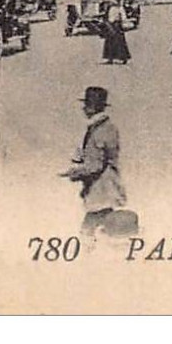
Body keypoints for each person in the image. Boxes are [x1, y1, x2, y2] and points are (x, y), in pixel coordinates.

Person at [63, 86, 129, 238]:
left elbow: (95, 165)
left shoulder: (98, 131)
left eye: (86, 105)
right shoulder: (108, 127)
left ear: (91, 108)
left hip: (100, 191)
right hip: (109, 189)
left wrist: (74, 173)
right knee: (103, 230)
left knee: (88, 232)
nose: (83, 109)